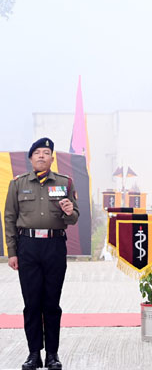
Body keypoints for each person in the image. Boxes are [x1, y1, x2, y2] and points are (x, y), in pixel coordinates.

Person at [5, 137, 79, 370]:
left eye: (46, 153)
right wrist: (12, 251)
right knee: (31, 303)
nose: (41, 156)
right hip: (28, 248)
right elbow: (9, 218)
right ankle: (34, 354)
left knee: (52, 304)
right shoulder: (17, 183)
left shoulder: (65, 182)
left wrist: (69, 211)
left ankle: (53, 355)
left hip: (54, 247)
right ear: (30, 158)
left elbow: (74, 217)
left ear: (52, 158)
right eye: (37, 153)